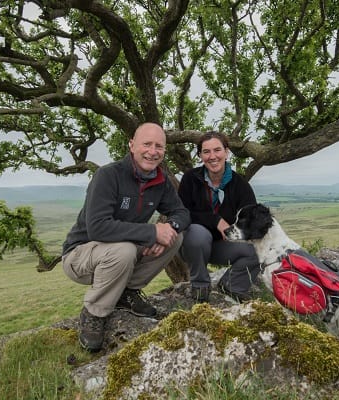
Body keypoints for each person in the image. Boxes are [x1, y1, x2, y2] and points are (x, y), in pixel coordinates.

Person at [61, 122, 190, 352]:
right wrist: (152, 233)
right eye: (146, 144)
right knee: (126, 250)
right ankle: (94, 312)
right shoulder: (108, 175)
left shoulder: (160, 180)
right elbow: (98, 228)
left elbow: (181, 213)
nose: (153, 151)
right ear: (132, 145)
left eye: (159, 146)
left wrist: (168, 228)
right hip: (80, 255)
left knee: (174, 237)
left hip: (120, 253)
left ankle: (126, 293)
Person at [178, 131, 260, 303]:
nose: (212, 156)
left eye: (217, 150)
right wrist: (216, 220)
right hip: (193, 245)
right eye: (206, 152)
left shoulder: (240, 185)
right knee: (197, 233)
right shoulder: (190, 179)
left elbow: (250, 219)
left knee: (257, 251)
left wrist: (237, 232)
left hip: (222, 246)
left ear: (226, 152)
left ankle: (232, 286)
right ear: (200, 155)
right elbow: (182, 213)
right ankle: (200, 286)